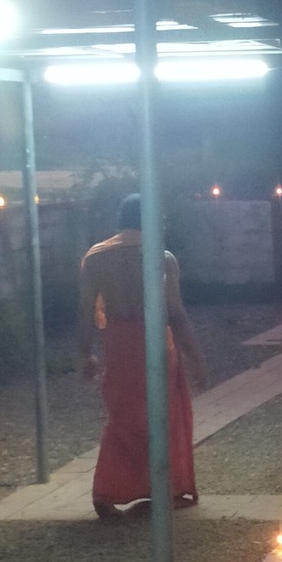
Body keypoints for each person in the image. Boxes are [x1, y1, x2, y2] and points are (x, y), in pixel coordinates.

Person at [78, 192, 205, 519]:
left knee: (121, 417)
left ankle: (107, 490)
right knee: (163, 417)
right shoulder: (161, 257)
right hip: (154, 342)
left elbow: (84, 313)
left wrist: (84, 355)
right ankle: (164, 488)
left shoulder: (95, 257)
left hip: (118, 344)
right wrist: (196, 359)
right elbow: (175, 314)